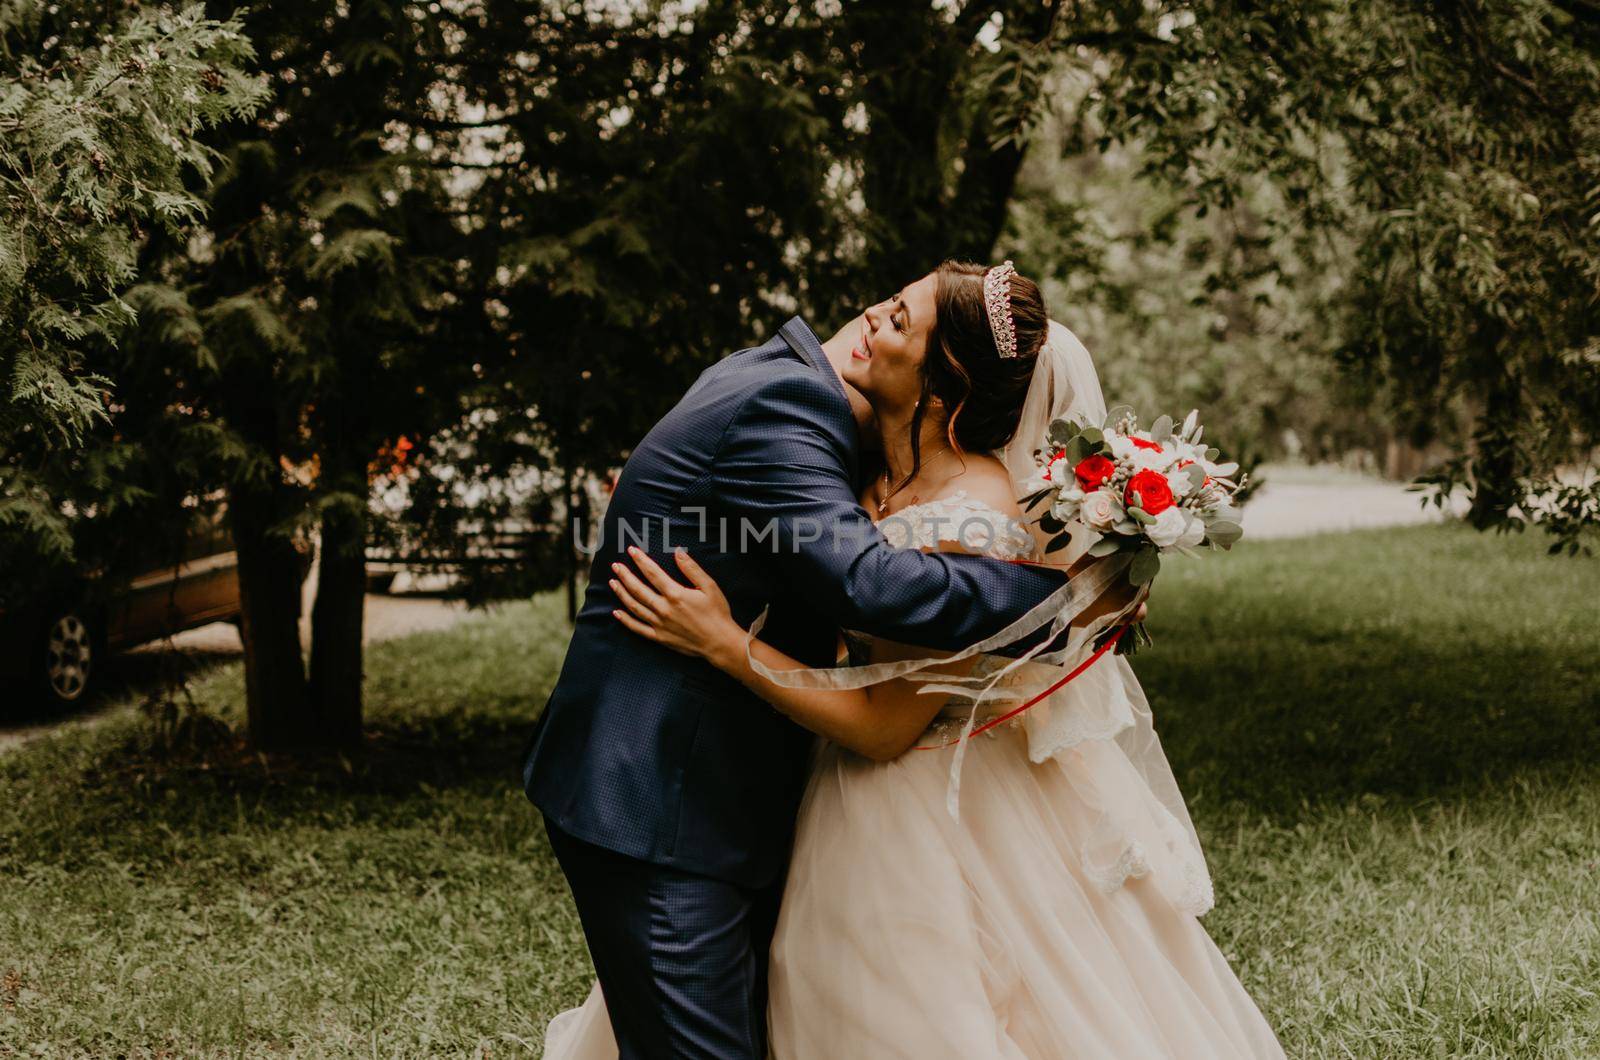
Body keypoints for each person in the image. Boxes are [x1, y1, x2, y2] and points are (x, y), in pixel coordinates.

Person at [543, 260, 1285, 1057]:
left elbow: (883, 708)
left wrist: (730, 645)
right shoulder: (867, 465)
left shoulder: (971, 519)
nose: (869, 319)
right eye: (891, 304)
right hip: (736, 794)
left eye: (899, 322)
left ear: (943, 386)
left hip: (900, 810)